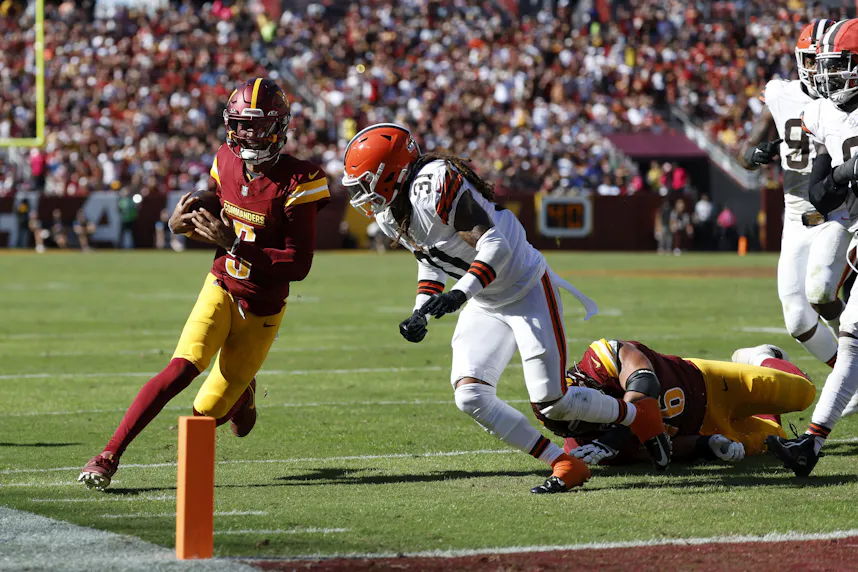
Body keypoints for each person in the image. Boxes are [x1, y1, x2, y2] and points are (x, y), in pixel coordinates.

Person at [341, 123, 670, 494]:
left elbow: (496, 244)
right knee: (469, 395)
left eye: (366, 183)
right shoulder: (391, 214)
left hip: (525, 286)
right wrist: (421, 308)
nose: (361, 195)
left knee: (553, 403)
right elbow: (431, 258)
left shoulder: (433, 186)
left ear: (393, 173)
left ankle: (638, 413)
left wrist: (459, 294)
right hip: (485, 297)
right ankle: (564, 462)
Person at [79, 78, 330, 490]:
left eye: (257, 124)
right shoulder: (225, 160)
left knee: (206, 414)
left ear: (279, 126)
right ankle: (108, 454)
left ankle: (243, 396)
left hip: (263, 309)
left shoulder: (301, 179)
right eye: (241, 124)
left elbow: (298, 265)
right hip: (222, 286)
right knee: (181, 367)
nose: (247, 134)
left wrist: (234, 243)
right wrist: (180, 223)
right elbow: (216, 201)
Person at [769, 20, 858, 475]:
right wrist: (846, 174)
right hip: (848, 225)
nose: (829, 76)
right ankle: (811, 445)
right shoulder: (824, 111)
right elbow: (822, 193)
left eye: (841, 66)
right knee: (846, 339)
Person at [738, 19, 846, 369]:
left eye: (826, 61)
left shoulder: (843, 97)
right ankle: (849, 373)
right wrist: (756, 154)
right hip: (797, 214)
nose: (821, 70)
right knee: (798, 318)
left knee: (827, 294)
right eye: (813, 61)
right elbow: (745, 152)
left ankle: (851, 370)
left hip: (841, 210)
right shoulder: (780, 94)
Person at [560, 341, 815, 466]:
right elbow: (658, 450)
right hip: (701, 429)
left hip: (710, 383)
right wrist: (705, 445)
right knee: (775, 437)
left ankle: (760, 357)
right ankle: (760, 415)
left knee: (803, 392)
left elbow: (644, 384)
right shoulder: (586, 448)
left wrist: (615, 437)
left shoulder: (600, 360)